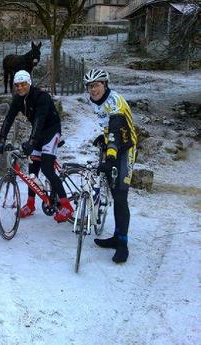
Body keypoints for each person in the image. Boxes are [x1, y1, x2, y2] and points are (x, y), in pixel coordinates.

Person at [0, 70, 74, 223]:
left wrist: (31, 142)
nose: (20, 88)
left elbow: (39, 118)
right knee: (32, 172)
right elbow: (9, 118)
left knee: (47, 168)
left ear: (29, 83)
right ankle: (30, 205)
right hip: (38, 133)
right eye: (17, 85)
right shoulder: (18, 99)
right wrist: (1, 140)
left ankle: (67, 206)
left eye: (23, 84)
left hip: (51, 130)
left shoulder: (41, 96)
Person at [83, 68, 137, 264]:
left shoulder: (115, 101)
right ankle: (116, 235)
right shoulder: (97, 101)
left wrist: (111, 157)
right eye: (90, 86)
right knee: (114, 193)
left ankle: (122, 244)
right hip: (113, 145)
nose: (93, 89)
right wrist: (103, 138)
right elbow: (108, 129)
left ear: (105, 85)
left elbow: (115, 128)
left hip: (125, 149)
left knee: (121, 195)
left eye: (96, 85)